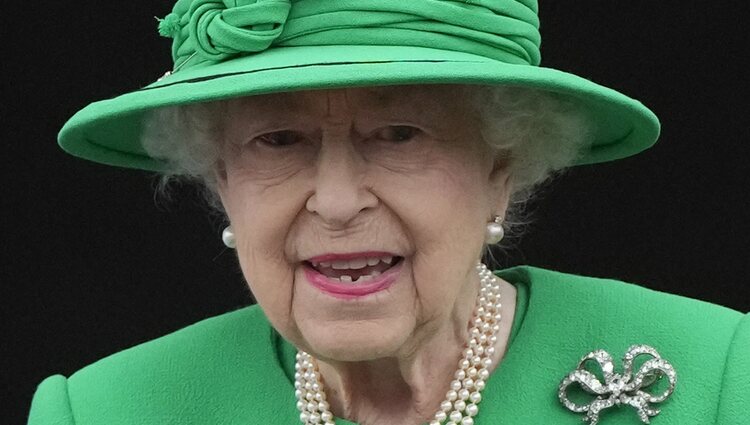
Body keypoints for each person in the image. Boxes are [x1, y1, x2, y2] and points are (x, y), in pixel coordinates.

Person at [27, 1, 748, 424]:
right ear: (222, 180)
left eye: (400, 133)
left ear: (502, 167)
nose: (337, 201)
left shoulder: (720, 376)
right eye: (279, 139)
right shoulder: (101, 411)